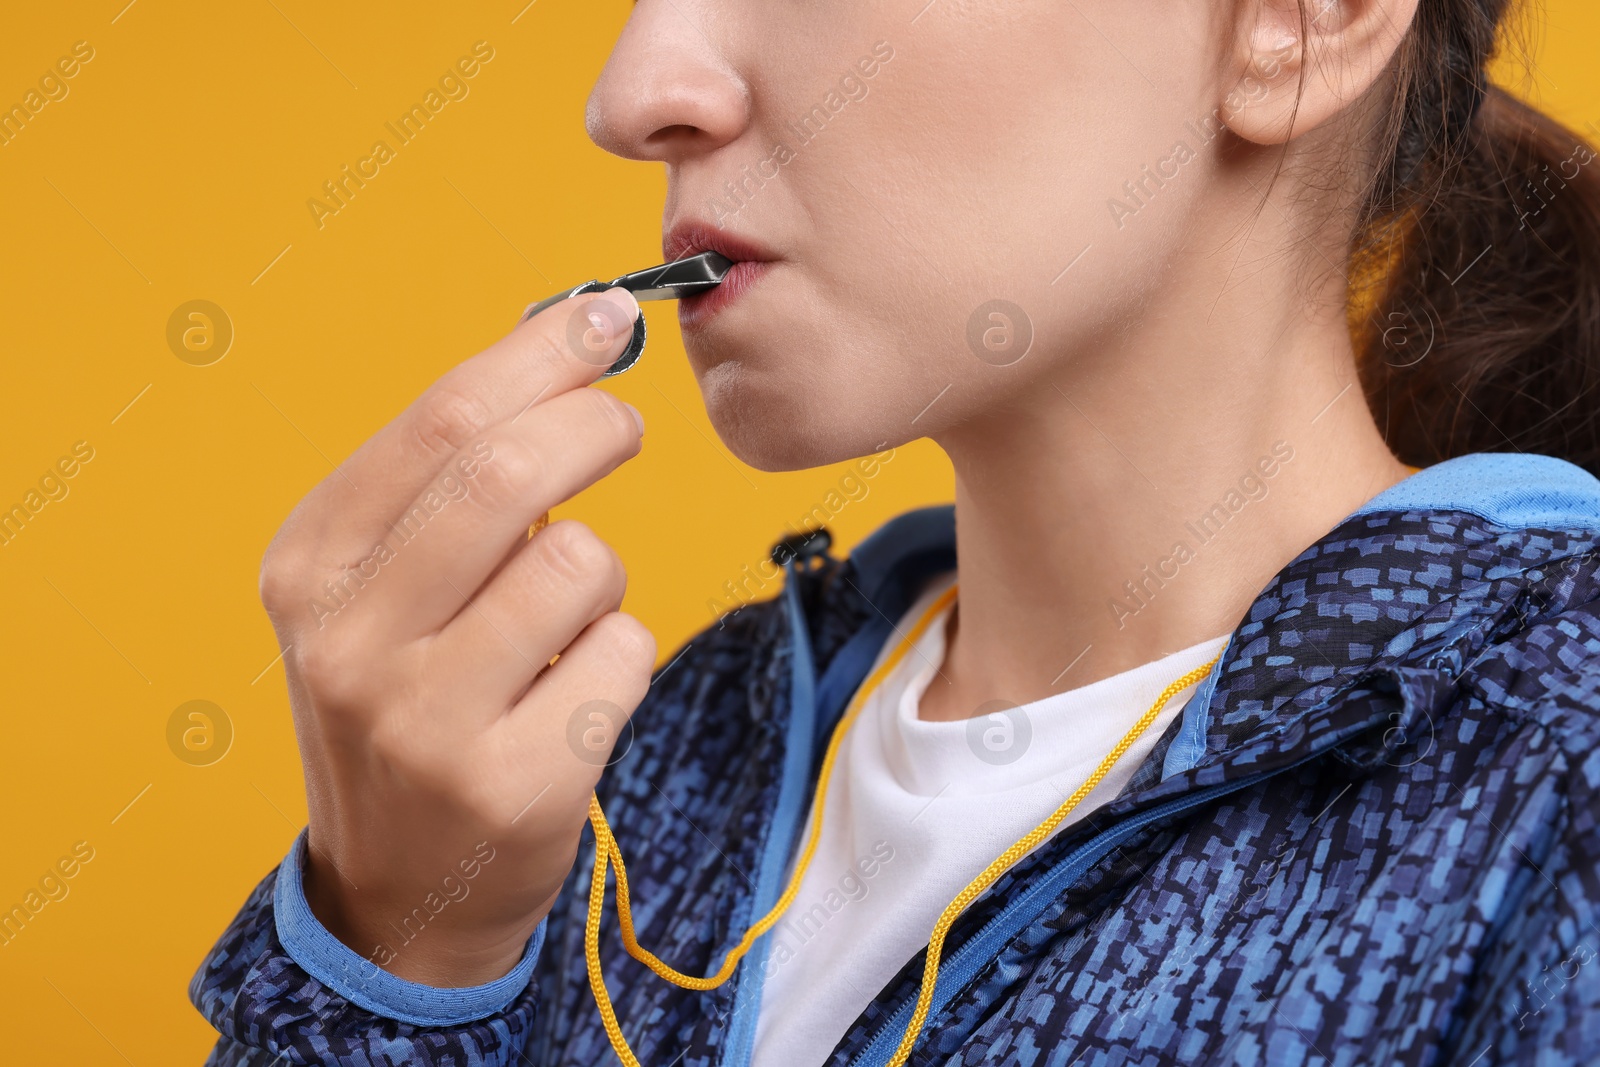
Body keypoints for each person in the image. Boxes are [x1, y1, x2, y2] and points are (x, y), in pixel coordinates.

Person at [191, 1, 1600, 1064]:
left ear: (1301, 23)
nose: (634, 96)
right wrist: (395, 955)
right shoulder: (653, 757)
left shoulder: (1560, 771)